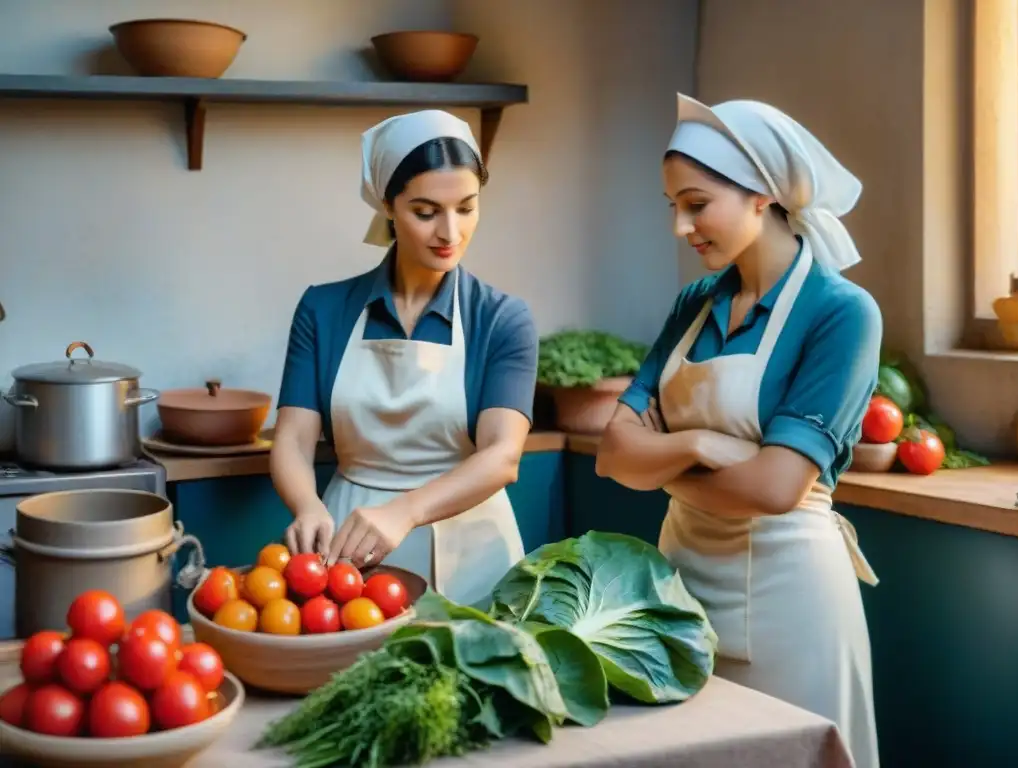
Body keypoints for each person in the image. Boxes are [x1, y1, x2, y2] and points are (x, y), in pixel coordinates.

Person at [595, 94, 881, 768]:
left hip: (793, 602)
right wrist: (696, 445)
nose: (681, 226)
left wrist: (660, 460)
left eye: (696, 203)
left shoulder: (842, 313)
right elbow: (612, 454)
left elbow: (778, 485)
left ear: (761, 195)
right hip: (678, 591)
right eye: (673, 206)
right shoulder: (696, 304)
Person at [270, 109, 538, 609]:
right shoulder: (323, 309)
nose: (450, 231)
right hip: (348, 546)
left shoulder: (502, 319)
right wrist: (306, 506)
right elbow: (292, 437)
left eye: (467, 207)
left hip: (473, 552)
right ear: (388, 206)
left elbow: (502, 458)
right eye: (426, 210)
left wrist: (406, 511)